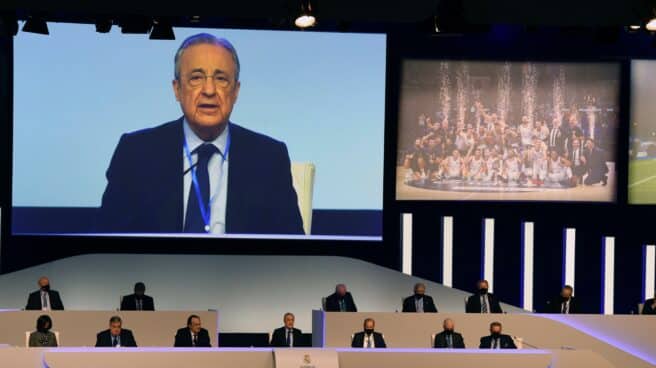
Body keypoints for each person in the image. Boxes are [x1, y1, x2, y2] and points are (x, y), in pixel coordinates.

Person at [98, 33, 303, 235]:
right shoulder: (135, 153)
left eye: (221, 79)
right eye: (196, 78)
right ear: (177, 89)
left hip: (241, 269)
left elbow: (294, 251)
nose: (209, 90)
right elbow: (105, 245)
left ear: (236, 91)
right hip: (157, 269)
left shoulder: (269, 158)